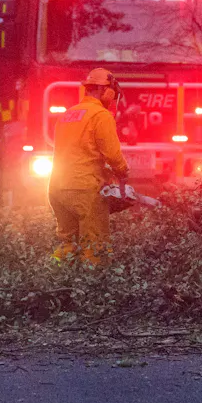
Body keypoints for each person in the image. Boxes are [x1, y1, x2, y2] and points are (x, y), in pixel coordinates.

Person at [49, 68, 129, 265]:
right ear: (105, 90)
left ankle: (53, 280)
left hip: (57, 189)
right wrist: (123, 173)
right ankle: (92, 292)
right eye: (111, 91)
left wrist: (103, 171)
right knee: (95, 247)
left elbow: (78, 152)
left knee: (69, 243)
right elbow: (112, 154)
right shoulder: (101, 115)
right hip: (84, 190)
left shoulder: (68, 115)